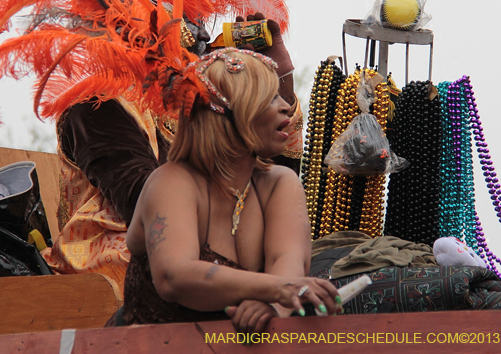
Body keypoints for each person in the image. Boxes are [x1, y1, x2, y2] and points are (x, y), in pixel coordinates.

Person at [116, 49, 340, 332]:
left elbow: (289, 263)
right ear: (227, 111)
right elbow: (174, 276)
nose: (286, 106)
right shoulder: (171, 182)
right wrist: (275, 289)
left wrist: (272, 306)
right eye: (271, 97)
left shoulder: (280, 183)